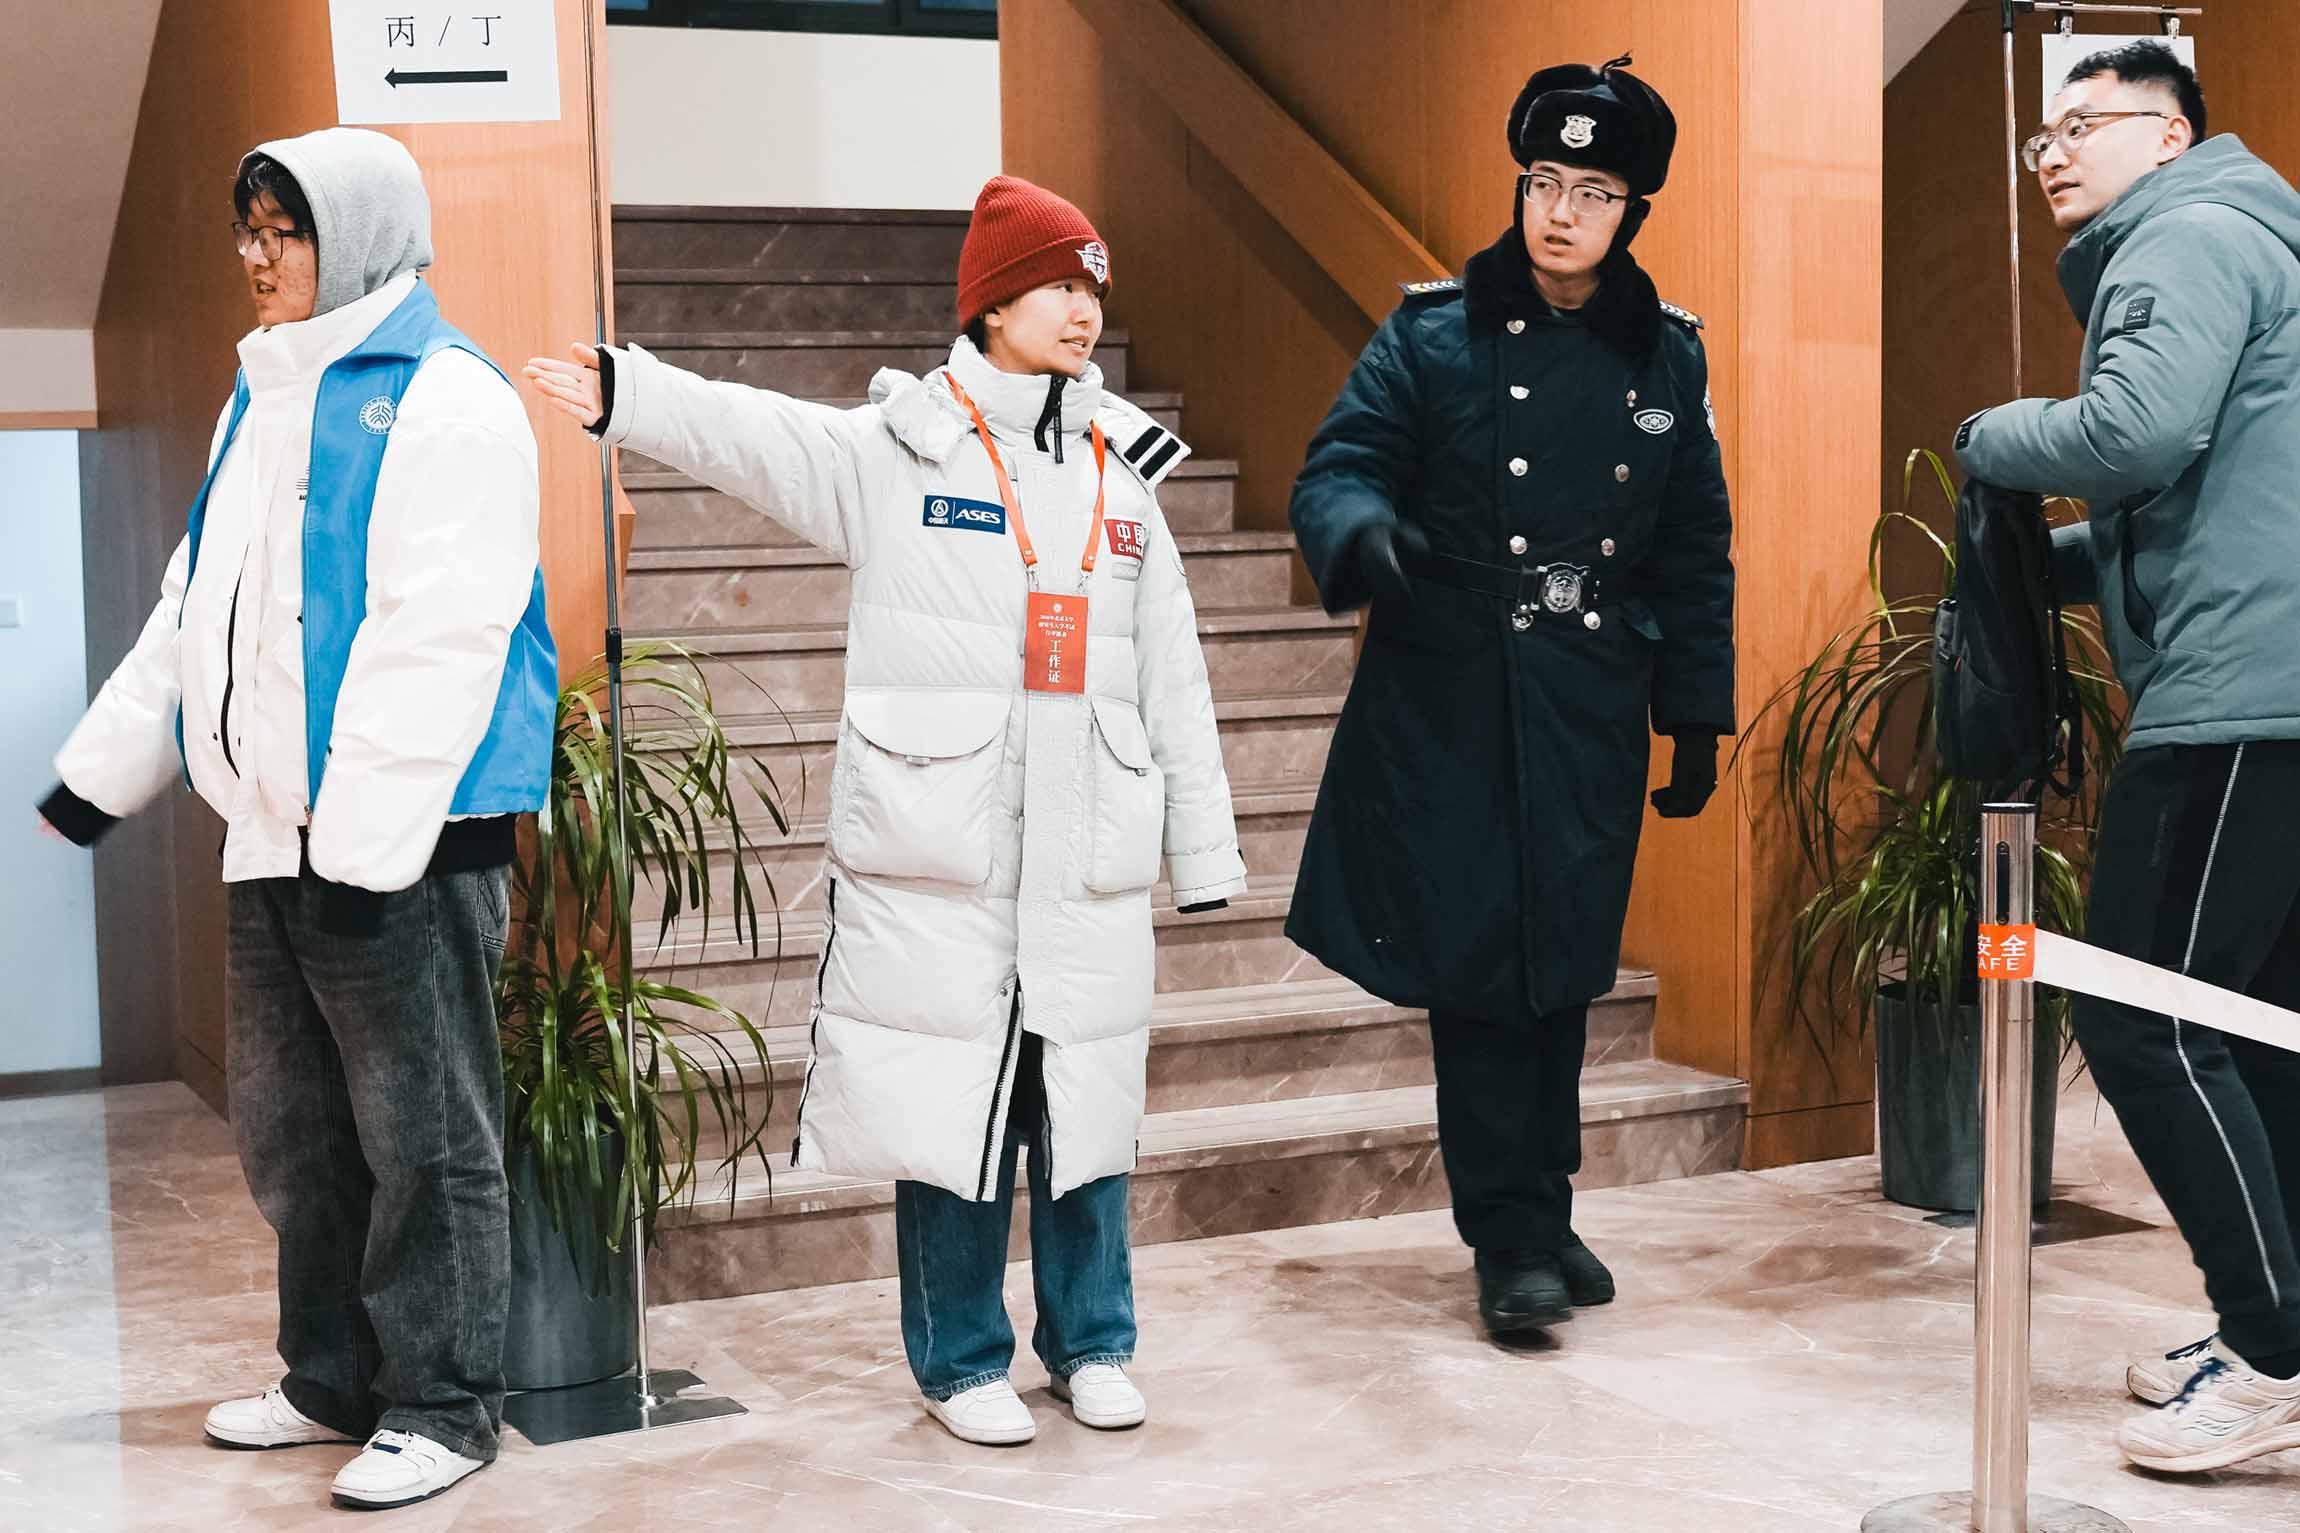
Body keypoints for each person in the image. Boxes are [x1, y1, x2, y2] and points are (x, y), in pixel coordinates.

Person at [525, 174, 1245, 1447]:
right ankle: (959, 1361)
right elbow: (759, 436)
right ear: (990, 304)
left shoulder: (1121, 474)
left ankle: (1093, 1343)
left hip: (1084, 857)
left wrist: (1201, 851)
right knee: (950, 1111)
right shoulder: (900, 450)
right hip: (938, 854)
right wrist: (634, 394)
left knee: (1081, 1112)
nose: (1082, 310)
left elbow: (1170, 674)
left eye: (1091, 288)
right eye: (1055, 286)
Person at [33, 129, 555, 1509]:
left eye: (287, 231)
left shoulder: (450, 397)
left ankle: (445, 1404)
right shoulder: (259, 398)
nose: (258, 258)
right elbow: (193, 610)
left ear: (363, 238)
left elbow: (439, 636)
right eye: (249, 231)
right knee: (293, 1132)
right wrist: (96, 779)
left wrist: (361, 841)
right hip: (274, 830)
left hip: (407, 841)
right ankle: (332, 1378)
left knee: (423, 1137)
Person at [1284, 56, 1734, 1343]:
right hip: (1452, 693)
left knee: (1561, 968)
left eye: (1590, 192)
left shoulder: (1666, 355)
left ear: (1630, 210)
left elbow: (1692, 544)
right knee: (1483, 972)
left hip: (1588, 694)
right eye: (1542, 182)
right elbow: (1341, 464)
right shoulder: (1432, 333)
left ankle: (1540, 1202)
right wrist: (1360, 529)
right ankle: (1509, 1235)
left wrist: (1692, 710)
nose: (1559, 211)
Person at [1955, 41, 2300, 1474]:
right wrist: (2061, 565)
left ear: (2169, 135)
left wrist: (1985, 437)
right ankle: (2283, 1323)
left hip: (2235, 699)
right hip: (2275, 690)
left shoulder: (2186, 236)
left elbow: (2134, 432)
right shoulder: (2251, 233)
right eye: (2040, 135)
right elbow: (2208, 493)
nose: (2051, 152)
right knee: (2256, 1027)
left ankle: (2272, 1353)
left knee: (2141, 1017)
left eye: (2081, 125)